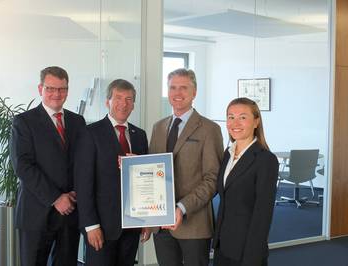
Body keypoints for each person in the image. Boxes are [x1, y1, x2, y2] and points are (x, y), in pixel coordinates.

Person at [10, 66, 86, 266]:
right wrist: (55, 198)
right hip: (36, 212)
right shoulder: (24, 122)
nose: (56, 94)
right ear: (40, 89)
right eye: (51, 88)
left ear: (67, 91)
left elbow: (83, 162)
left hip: (70, 212)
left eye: (62, 89)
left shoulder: (78, 121)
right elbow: (23, 166)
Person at [149, 68, 224, 266]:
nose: (177, 93)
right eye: (173, 87)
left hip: (194, 224)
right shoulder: (158, 127)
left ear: (194, 92)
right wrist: (134, 165)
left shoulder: (209, 129)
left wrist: (181, 208)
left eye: (184, 87)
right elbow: (153, 172)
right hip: (161, 224)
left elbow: (212, 179)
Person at [75, 79, 150, 266]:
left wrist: (148, 220)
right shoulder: (90, 133)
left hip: (132, 225)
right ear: (107, 101)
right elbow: (83, 184)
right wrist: (91, 225)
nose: (123, 104)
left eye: (129, 99)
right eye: (118, 98)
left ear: (133, 104)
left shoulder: (140, 135)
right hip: (101, 227)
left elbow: (146, 183)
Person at [213, 97, 279, 266]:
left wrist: (252, 257)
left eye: (243, 117)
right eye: (230, 117)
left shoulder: (266, 159)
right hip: (223, 245)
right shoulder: (227, 155)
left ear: (256, 122)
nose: (235, 123)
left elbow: (263, 215)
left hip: (246, 251)